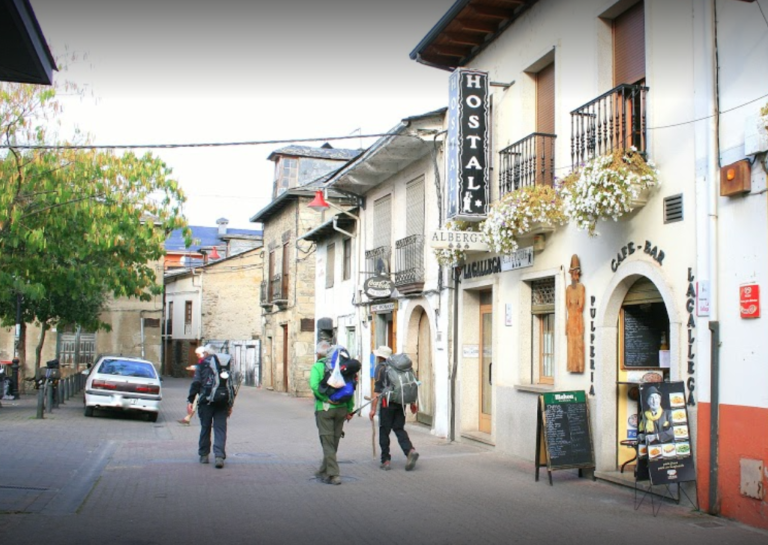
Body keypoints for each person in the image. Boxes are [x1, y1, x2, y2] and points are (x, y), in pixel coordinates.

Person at [310, 340, 354, 485]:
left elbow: (314, 385)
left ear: (319, 354)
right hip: (341, 409)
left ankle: (334, 474)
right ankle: (323, 470)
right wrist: (349, 409)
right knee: (333, 441)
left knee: (327, 442)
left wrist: (326, 399)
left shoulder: (318, 366)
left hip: (324, 409)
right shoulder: (342, 366)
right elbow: (349, 388)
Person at [369, 345, 419, 471]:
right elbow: (411, 385)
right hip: (401, 403)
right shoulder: (402, 368)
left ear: (380, 357)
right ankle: (409, 450)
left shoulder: (381, 368)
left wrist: (373, 409)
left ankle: (385, 460)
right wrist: (413, 402)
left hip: (387, 403)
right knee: (398, 428)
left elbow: (377, 390)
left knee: (384, 431)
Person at [187, 345, 229, 468]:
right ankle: (219, 456)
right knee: (220, 428)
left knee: (205, 427)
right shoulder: (224, 365)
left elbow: (196, 383)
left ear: (206, 353)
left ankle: (204, 455)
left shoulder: (202, 365)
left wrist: (191, 399)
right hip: (222, 401)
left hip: (205, 401)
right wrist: (229, 403)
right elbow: (230, 384)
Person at [565, 254, 586, 373]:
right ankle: (571, 366)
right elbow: (567, 305)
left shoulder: (581, 287)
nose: (574, 275)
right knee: (570, 344)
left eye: (575, 272)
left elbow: (581, 305)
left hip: (577, 319)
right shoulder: (568, 288)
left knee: (578, 343)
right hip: (571, 319)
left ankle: (578, 366)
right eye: (572, 273)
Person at [179, 346, 206, 425]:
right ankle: (187, 418)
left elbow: (202, 370)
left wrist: (195, 368)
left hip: (202, 386)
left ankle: (188, 418)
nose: (196, 356)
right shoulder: (202, 360)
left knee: (198, 402)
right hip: (200, 386)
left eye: (197, 354)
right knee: (195, 402)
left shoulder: (204, 361)